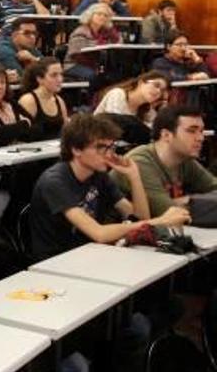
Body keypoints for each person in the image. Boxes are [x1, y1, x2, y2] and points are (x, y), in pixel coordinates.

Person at [29, 113, 190, 261]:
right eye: (101, 147)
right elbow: (99, 233)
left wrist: (134, 176)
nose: (108, 154)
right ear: (76, 149)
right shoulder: (55, 181)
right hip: (56, 261)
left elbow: (140, 218)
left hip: (90, 253)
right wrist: (161, 221)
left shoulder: (98, 174)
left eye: (111, 147)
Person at [111, 105, 216, 217]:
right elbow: (166, 212)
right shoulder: (140, 162)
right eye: (192, 131)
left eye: (201, 131)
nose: (200, 138)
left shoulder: (184, 159)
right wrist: (191, 201)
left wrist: (188, 201)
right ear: (166, 135)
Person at [63, 2, 121, 83]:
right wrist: (95, 67)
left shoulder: (106, 32)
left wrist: (112, 30)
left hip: (96, 65)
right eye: (99, 14)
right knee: (95, 76)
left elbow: (118, 43)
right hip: (74, 64)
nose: (102, 17)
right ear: (90, 15)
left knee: (115, 74)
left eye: (105, 15)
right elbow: (75, 55)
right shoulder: (81, 32)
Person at [17, 57, 68, 140]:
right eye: (54, 75)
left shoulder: (59, 100)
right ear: (40, 79)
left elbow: (66, 131)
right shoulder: (28, 101)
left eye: (61, 74)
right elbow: (19, 135)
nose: (60, 79)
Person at [93, 71, 168, 126]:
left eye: (162, 90)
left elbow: (157, 129)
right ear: (141, 82)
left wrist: (163, 109)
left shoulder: (147, 109)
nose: (158, 91)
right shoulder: (117, 94)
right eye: (156, 85)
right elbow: (116, 125)